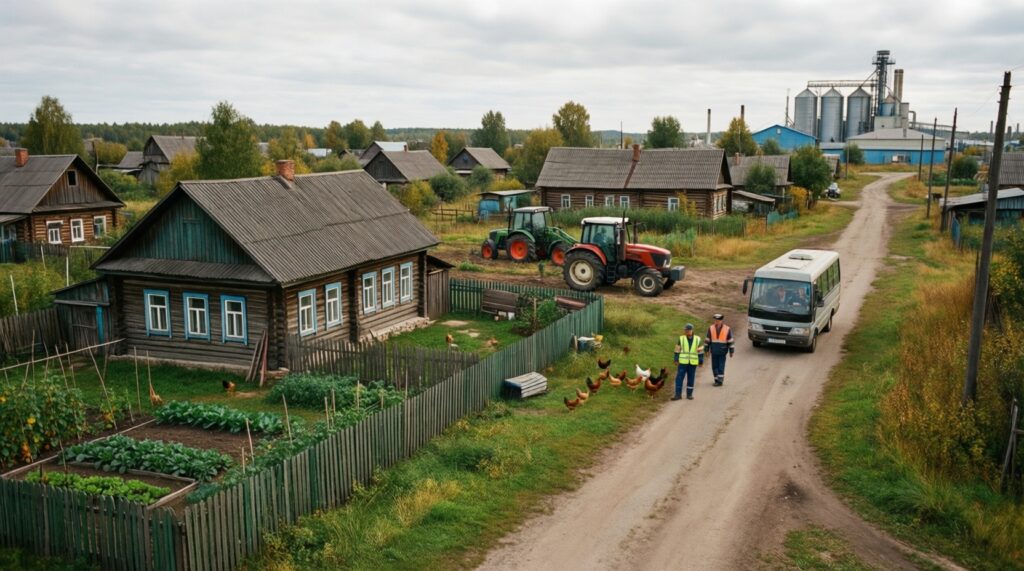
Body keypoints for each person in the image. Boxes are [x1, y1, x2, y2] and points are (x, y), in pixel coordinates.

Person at [673, 323, 704, 401]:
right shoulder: (681, 338)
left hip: (693, 363)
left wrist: (701, 361)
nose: (685, 331)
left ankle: (689, 394)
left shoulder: (698, 339)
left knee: (691, 378)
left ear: (691, 330)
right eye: (685, 330)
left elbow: (700, 351)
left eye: (687, 330)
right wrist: (676, 359)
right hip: (683, 362)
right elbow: (677, 349)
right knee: (679, 378)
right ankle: (677, 394)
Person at [705, 313, 735, 386]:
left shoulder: (727, 329)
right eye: (715, 320)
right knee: (714, 366)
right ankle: (716, 379)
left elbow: (730, 340)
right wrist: (706, 350)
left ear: (721, 321)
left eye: (718, 320)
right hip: (714, 351)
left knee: (721, 366)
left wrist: (731, 351)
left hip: (722, 351)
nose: (716, 322)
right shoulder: (711, 328)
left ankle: (720, 381)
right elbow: (707, 340)